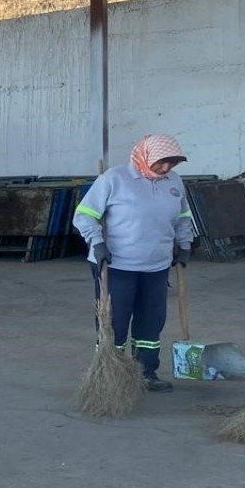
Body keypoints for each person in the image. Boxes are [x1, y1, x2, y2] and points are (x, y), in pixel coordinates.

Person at [74, 133, 196, 392]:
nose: (166, 168)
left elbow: (183, 216)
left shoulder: (174, 181)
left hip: (157, 265)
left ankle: (145, 372)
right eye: (161, 162)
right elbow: (84, 215)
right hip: (116, 266)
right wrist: (97, 242)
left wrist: (185, 244)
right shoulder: (114, 179)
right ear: (145, 156)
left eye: (173, 163)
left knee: (151, 321)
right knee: (114, 323)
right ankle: (112, 374)